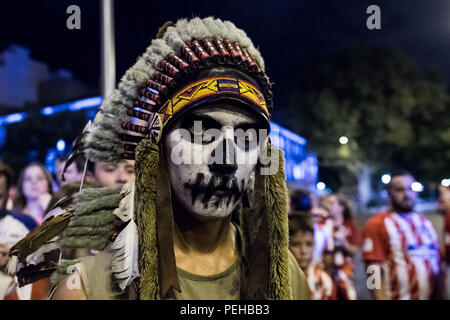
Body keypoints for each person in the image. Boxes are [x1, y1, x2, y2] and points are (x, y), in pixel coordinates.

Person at [15, 17, 312, 300]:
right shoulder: (89, 289)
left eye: (247, 138)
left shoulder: (284, 276)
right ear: (156, 147)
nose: (227, 160)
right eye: (200, 131)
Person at [363, 170, 442, 300]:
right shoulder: (377, 223)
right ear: (389, 193)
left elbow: (437, 263)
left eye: (411, 189)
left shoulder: (425, 223)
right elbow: (372, 268)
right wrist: (377, 297)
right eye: (400, 190)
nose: (407, 194)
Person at [0, 162, 38, 299]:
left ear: (8, 193)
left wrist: (20, 260)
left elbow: (46, 262)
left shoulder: (26, 222)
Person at [289, 214, 337, 300]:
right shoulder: (276, 281)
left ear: (314, 244)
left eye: (309, 244)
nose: (303, 251)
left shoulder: (324, 282)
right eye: (296, 244)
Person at [321, 194, 358, 299]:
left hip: (345, 271)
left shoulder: (349, 225)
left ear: (342, 207)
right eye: (327, 203)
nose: (328, 206)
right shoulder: (322, 224)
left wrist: (343, 243)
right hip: (326, 270)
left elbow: (354, 251)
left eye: (332, 203)